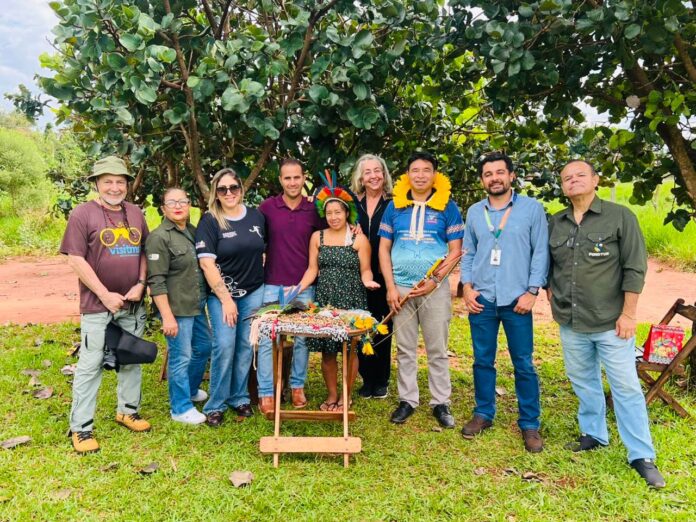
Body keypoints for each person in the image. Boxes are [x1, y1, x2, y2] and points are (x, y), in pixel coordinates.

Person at [548, 159, 665, 488]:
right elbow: (549, 267)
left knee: (625, 387)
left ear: (595, 180)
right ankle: (593, 434)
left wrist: (629, 314)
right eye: (567, 178)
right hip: (571, 321)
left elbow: (635, 268)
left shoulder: (620, 217)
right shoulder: (556, 222)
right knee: (583, 381)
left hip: (611, 322)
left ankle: (641, 455)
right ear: (563, 186)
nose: (573, 181)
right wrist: (551, 296)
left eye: (580, 175)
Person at [60, 156, 150, 453]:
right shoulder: (82, 214)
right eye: (108, 181)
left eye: (120, 181)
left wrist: (141, 283)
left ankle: (128, 411)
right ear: (96, 184)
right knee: (91, 363)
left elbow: (145, 251)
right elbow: (76, 259)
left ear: (127, 184)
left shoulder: (135, 213)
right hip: (97, 304)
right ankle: (81, 428)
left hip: (132, 302)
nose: (114, 187)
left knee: (131, 357)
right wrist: (104, 294)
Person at [460, 152, 548, 452]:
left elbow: (540, 252)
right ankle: (483, 413)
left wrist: (532, 291)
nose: (494, 178)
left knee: (523, 363)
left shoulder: (531, 209)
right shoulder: (475, 212)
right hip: (482, 298)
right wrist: (467, 287)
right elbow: (468, 252)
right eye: (488, 174)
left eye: (500, 172)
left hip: (517, 298)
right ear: (482, 180)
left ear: (511, 175)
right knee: (482, 360)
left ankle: (530, 423)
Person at [379, 151, 464, 428]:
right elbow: (384, 248)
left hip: (434, 289)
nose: (420, 175)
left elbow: (455, 251)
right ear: (407, 174)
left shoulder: (447, 206)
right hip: (401, 288)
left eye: (426, 170)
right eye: (415, 170)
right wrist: (390, 287)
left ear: (434, 175)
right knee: (405, 348)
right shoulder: (395, 206)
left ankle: (441, 402)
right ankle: (407, 400)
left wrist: (435, 280)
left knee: (437, 348)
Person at [297, 178, 379, 411]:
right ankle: (332, 395)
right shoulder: (318, 237)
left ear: (347, 213)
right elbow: (312, 269)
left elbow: (366, 269)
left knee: (350, 351)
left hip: (352, 299)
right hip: (326, 301)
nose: (333, 217)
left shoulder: (358, 239)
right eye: (329, 213)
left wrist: (368, 280)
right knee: (328, 352)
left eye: (338, 212)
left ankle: (346, 395)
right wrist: (296, 288)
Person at [195, 168, 265, 427]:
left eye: (233, 187)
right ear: (216, 193)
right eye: (222, 189)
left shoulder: (256, 216)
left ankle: (239, 397)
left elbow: (264, 250)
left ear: (241, 189)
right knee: (224, 345)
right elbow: (206, 264)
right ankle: (216, 403)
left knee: (246, 345)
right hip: (222, 295)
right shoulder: (210, 221)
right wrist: (226, 300)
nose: (228, 193)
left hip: (253, 291)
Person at [256, 158, 325, 414]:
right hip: (272, 284)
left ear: (304, 178)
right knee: (267, 339)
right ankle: (266, 392)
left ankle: (297, 386)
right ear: (280, 180)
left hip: (304, 285)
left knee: (302, 339)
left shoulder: (314, 209)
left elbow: (331, 234)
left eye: (297, 177)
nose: (293, 182)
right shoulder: (267, 208)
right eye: (287, 178)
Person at [145, 187, 212, 425]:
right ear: (163, 208)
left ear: (189, 204)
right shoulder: (159, 237)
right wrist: (167, 316)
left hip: (195, 305)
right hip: (176, 309)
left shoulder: (193, 232)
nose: (177, 206)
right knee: (181, 356)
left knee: (204, 347)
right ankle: (180, 407)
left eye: (182, 201)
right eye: (171, 202)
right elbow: (156, 281)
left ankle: (190, 390)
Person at [350, 154, 394, 399]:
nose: (373, 176)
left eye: (377, 171)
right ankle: (366, 378)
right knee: (360, 324)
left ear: (384, 174)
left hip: (386, 272)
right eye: (367, 172)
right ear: (361, 177)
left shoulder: (394, 203)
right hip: (357, 273)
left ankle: (381, 378)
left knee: (383, 324)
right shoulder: (352, 204)